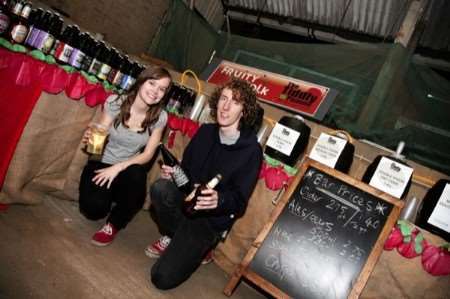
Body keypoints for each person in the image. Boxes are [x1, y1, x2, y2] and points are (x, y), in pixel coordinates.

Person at [146, 78, 263, 289]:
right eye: (224, 99)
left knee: (161, 279)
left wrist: (220, 199)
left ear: (244, 112)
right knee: (160, 189)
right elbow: (187, 173)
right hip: (187, 203)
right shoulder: (205, 132)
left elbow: (239, 202)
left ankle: (201, 246)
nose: (226, 106)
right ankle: (175, 236)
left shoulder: (251, 151)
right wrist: (175, 173)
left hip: (209, 221)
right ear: (217, 101)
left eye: (235, 102)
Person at [79, 65, 172, 246]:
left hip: (127, 168)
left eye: (162, 89)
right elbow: (98, 138)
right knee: (93, 210)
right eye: (152, 83)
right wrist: (90, 140)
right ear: (141, 81)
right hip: (102, 164)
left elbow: (148, 154)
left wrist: (118, 167)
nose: (156, 91)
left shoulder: (160, 117)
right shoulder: (115, 102)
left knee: (137, 174)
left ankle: (113, 224)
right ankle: (109, 197)